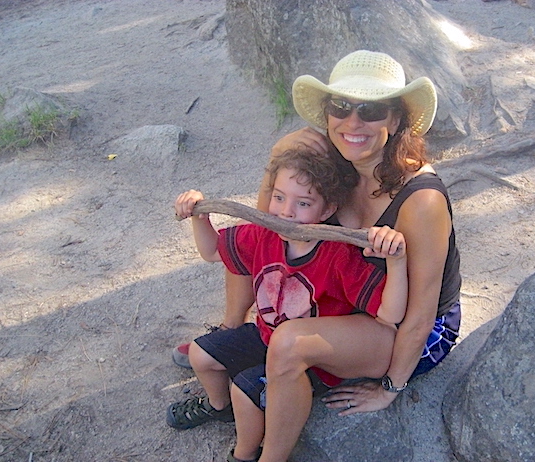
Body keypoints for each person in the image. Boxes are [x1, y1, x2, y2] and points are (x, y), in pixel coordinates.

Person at [175, 49, 461, 461]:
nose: (353, 122)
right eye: (341, 106)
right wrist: (277, 158)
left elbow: (421, 311)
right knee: (253, 243)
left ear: (396, 120)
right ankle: (234, 333)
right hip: (350, 301)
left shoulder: (421, 201)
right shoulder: (338, 164)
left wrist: (390, 389)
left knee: (290, 342)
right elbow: (266, 233)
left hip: (406, 325)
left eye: (372, 109)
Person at [168, 148, 409, 462]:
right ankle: (218, 407)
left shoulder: (338, 255)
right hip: (268, 335)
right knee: (202, 355)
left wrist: (397, 261)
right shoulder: (264, 234)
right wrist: (200, 217)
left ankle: (245, 454)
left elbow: (390, 314)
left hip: (310, 359)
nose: (286, 211)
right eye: (279, 197)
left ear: (328, 210)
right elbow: (212, 251)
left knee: (245, 391)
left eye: (303, 203)